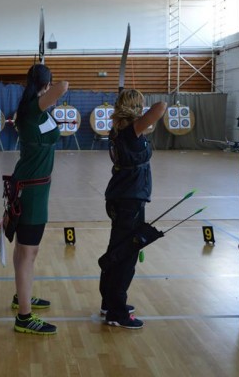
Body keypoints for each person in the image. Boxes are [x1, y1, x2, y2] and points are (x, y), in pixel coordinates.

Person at [98, 89, 166, 329]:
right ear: (135, 106)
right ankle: (117, 311)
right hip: (129, 200)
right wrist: (141, 111)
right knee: (126, 255)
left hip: (123, 197)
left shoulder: (120, 128)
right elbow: (160, 107)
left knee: (117, 250)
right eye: (141, 103)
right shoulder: (131, 130)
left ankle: (109, 302)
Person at [8, 64, 68, 335]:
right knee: (27, 252)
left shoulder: (36, 110)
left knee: (26, 250)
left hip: (33, 189)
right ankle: (24, 317)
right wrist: (48, 84)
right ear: (44, 84)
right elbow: (63, 86)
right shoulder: (33, 108)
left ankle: (21, 295)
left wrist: (44, 86)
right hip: (30, 192)